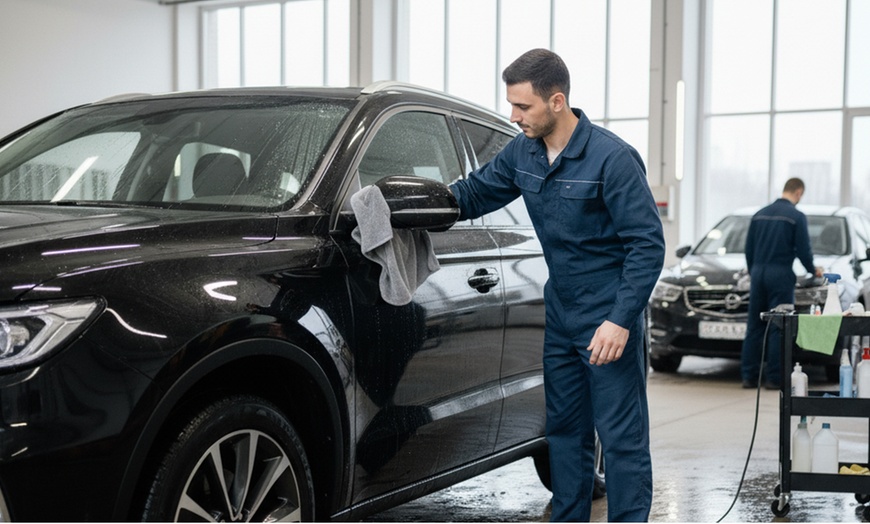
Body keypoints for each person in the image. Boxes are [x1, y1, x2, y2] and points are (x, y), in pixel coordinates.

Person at [448, 48, 665, 522]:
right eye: (511, 104)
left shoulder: (612, 159)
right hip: (562, 314)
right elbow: (474, 193)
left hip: (608, 317)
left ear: (557, 102)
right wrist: (407, 206)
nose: (514, 116)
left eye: (523, 107)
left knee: (621, 437)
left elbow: (647, 247)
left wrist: (620, 320)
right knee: (565, 431)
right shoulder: (522, 152)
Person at [741, 177, 823, 389]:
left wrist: (754, 270)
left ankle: (749, 376)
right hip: (781, 274)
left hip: (758, 272)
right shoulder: (796, 217)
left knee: (754, 326)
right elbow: (804, 250)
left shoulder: (759, 214)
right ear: (798, 193)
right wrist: (812, 270)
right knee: (779, 326)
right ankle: (774, 378)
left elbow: (748, 249)